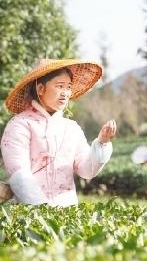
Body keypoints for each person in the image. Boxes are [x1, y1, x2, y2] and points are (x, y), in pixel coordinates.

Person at [1, 59, 117, 207]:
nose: (65, 93)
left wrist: (102, 143)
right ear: (40, 89)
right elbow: (19, 174)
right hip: (29, 215)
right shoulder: (20, 124)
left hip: (67, 215)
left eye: (68, 87)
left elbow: (86, 170)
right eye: (59, 86)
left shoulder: (71, 128)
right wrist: (43, 211)